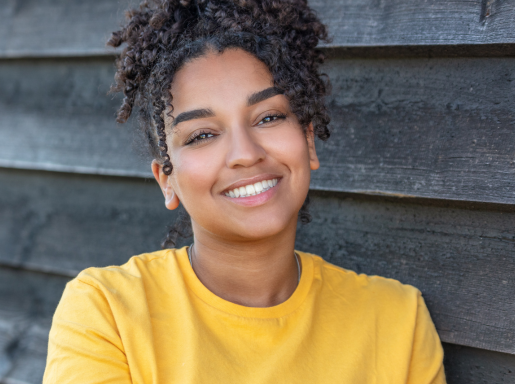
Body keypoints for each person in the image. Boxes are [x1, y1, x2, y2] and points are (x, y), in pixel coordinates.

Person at [43, 0, 446, 382]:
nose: (245, 154)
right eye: (202, 135)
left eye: (268, 116)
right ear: (167, 180)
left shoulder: (397, 321)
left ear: (308, 142)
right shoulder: (106, 312)